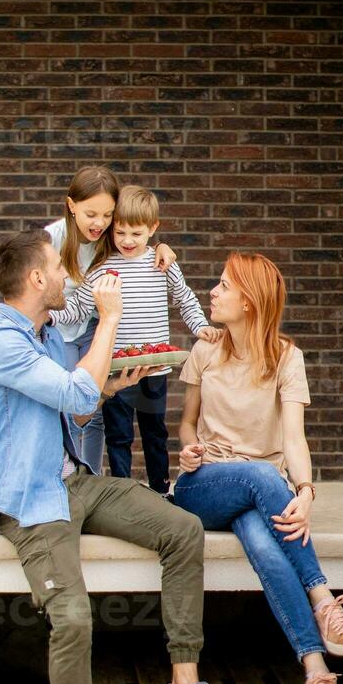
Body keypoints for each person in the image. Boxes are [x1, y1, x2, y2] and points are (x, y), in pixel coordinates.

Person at [0, 229, 246, 684]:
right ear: (36, 279)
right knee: (71, 619)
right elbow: (73, 388)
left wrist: (114, 384)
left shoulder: (42, 335)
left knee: (182, 530)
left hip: (74, 483)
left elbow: (79, 407)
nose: (70, 278)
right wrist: (110, 321)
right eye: (59, 271)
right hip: (31, 502)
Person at [171, 252, 343, 684]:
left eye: (223, 286)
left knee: (264, 543)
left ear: (250, 302)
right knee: (261, 476)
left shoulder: (287, 358)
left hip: (261, 495)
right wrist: (189, 452)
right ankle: (323, 598)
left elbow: (294, 438)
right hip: (203, 488)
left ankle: (317, 672)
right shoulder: (205, 350)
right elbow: (186, 425)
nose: (212, 293)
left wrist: (305, 492)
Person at [49, 185, 222, 494]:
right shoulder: (102, 268)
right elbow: (77, 309)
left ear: (152, 229)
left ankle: (159, 489)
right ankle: (121, 490)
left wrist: (200, 326)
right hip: (118, 368)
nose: (127, 241)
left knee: (155, 432)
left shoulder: (162, 264)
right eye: (120, 233)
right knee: (118, 435)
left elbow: (185, 299)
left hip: (156, 369)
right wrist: (49, 315)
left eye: (136, 233)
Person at [45, 167, 178, 474]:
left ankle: (91, 477)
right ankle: (65, 475)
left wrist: (160, 247)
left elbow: (136, 241)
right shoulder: (52, 238)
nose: (100, 223)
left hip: (96, 326)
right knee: (71, 405)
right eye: (92, 214)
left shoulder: (110, 237)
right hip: (62, 330)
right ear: (71, 205)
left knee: (97, 409)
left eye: (107, 216)